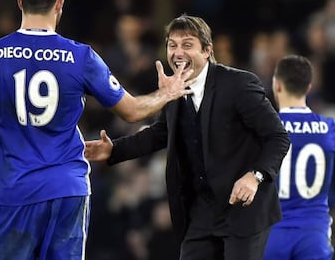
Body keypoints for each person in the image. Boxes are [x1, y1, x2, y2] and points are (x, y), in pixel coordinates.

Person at [0, 0, 194, 259]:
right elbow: (131, 111)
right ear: (59, 4)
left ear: (19, 1)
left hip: (17, 194)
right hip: (69, 189)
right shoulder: (81, 57)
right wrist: (166, 93)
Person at [84, 14, 290, 260]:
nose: (178, 52)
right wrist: (114, 150)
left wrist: (255, 176)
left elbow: (278, 137)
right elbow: (161, 133)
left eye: (187, 45)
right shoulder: (174, 90)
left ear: (207, 51)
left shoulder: (238, 84)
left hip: (243, 213)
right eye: (173, 45)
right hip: (200, 214)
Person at [263, 54, 335, 260]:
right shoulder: (329, 129)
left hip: (270, 235)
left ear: (277, 85)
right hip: (314, 235)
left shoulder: (263, 128)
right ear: (309, 87)